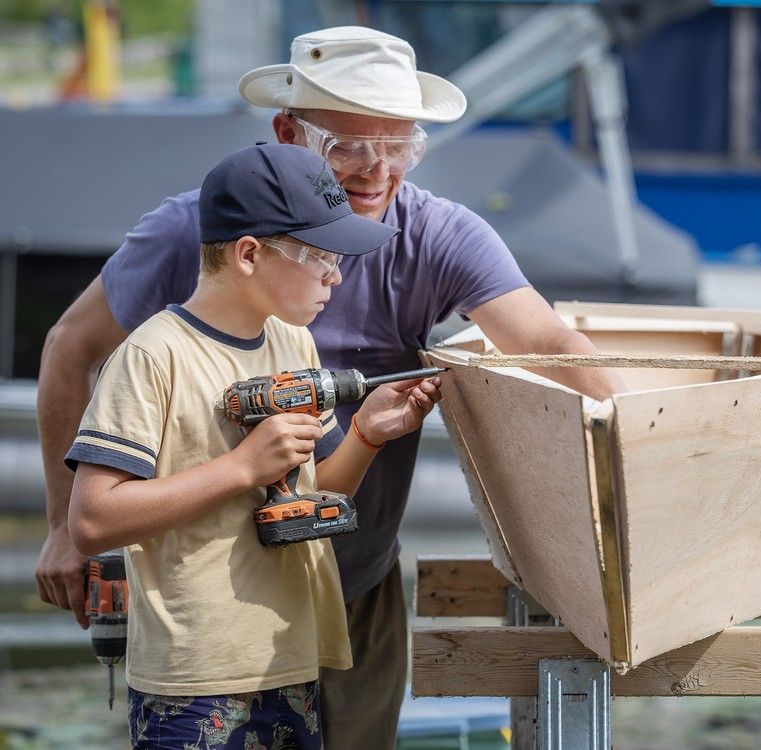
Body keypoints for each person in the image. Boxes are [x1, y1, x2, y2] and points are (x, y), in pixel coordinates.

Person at [37, 25, 625, 748]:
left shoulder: (421, 247)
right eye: (347, 146)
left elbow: (548, 343)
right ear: (288, 132)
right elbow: (71, 351)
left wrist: (634, 443)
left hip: (350, 577)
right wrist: (65, 528)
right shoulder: (195, 238)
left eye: (400, 146)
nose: (376, 171)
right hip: (202, 610)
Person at [66, 142, 442, 748]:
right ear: (248, 254)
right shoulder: (151, 357)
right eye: (320, 257)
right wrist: (241, 467)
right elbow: (91, 520)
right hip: (192, 681)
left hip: (290, 665)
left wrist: (370, 434)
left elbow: (309, 503)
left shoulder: (296, 346)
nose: (336, 275)